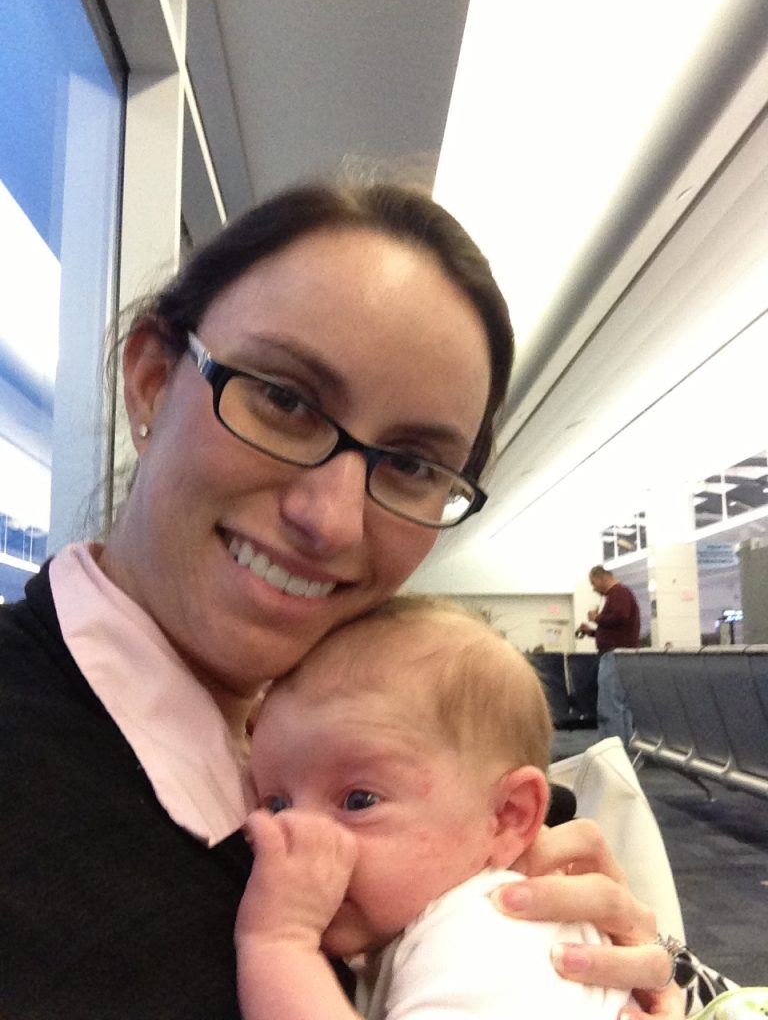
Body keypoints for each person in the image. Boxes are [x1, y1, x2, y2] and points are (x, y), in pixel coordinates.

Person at [0, 179, 683, 1019]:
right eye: (284, 400)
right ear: (150, 381)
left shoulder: (455, 779)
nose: (329, 519)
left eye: (411, 465)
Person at [236, 595, 632, 1020]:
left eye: (359, 801)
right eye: (276, 805)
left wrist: (280, 944)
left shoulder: (486, 937)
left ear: (506, 816)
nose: (297, 834)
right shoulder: (422, 927)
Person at [578, 565, 641, 747]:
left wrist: (596, 618)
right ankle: (624, 746)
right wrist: (592, 632)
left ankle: (611, 749)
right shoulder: (622, 594)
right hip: (623, 656)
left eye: (593, 583)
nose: (593, 588)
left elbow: (620, 616)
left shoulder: (618, 593)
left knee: (609, 706)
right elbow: (617, 627)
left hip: (614, 657)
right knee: (622, 706)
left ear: (600, 578)